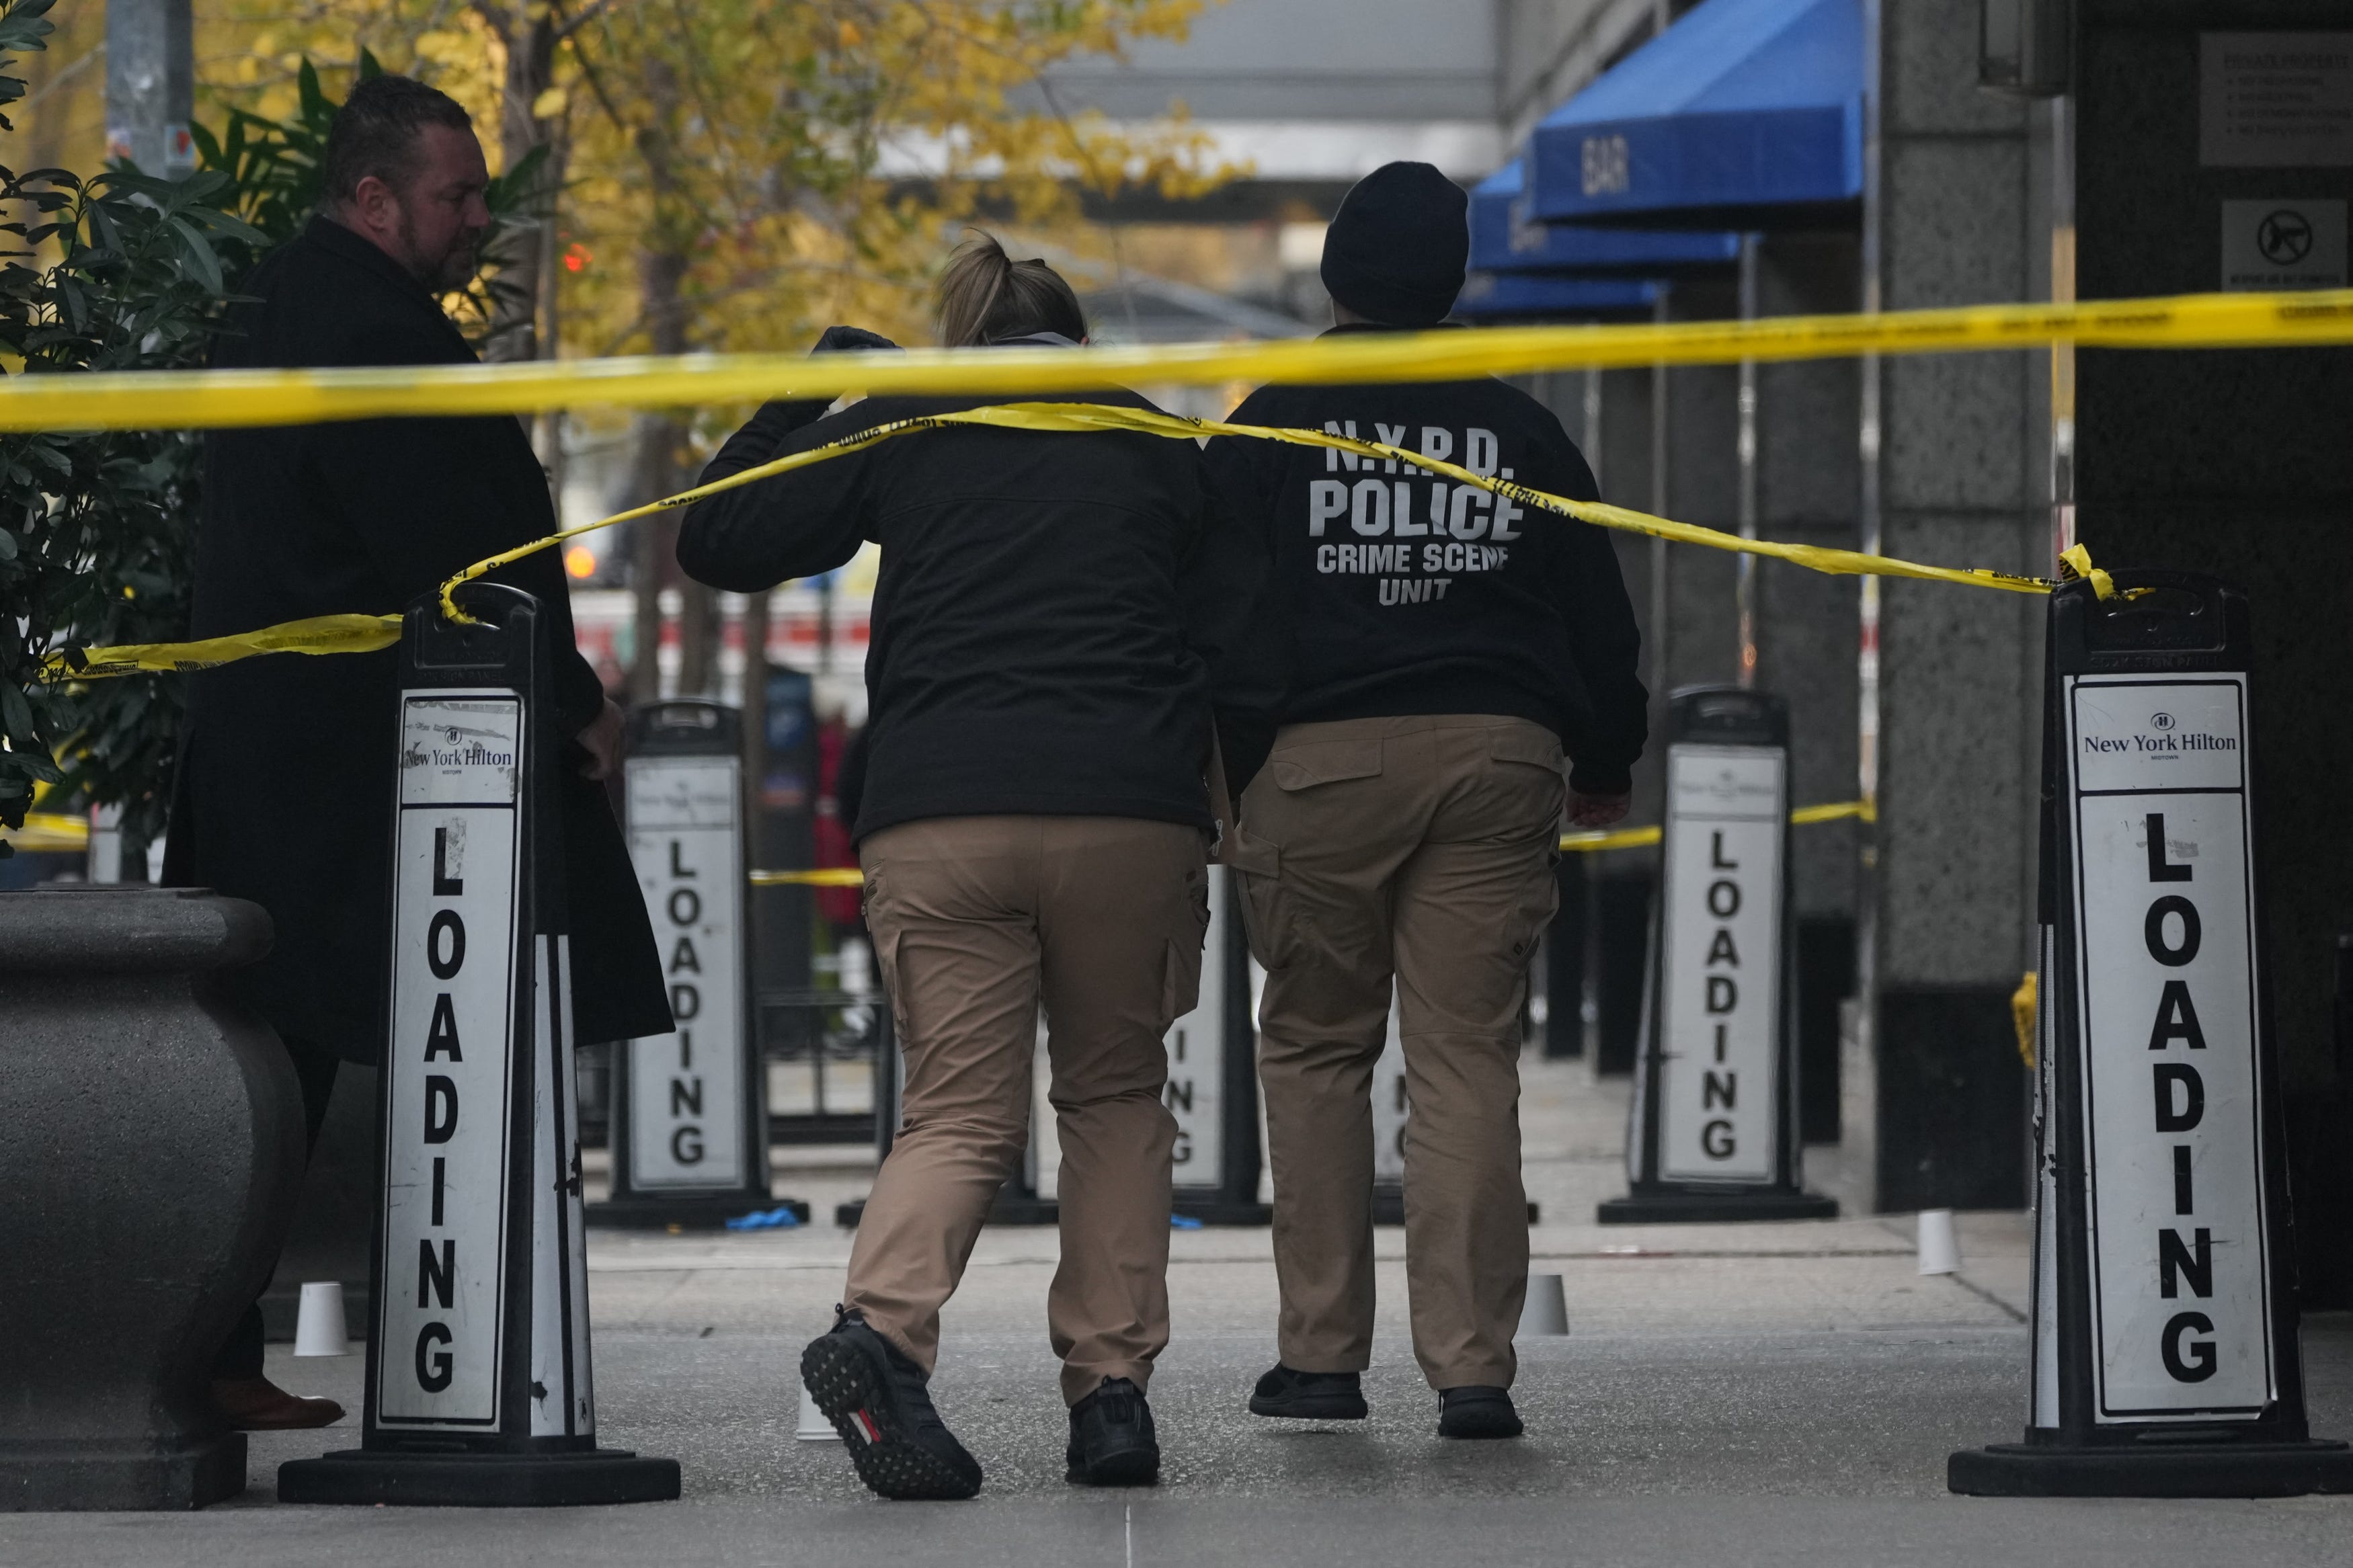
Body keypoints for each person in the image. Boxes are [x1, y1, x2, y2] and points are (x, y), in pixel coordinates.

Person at [678, 234, 1273, 1500]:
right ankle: (1111, 1398)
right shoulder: (1159, 443)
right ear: (1081, 344)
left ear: (964, 343)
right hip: (1126, 810)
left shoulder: (907, 426)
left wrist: (801, 393)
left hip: (937, 811)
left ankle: (882, 1330)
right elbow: (1237, 645)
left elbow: (716, 537)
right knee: (1115, 1097)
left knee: (955, 1111)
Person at [163, 75, 670, 1430]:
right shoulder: (371, 335)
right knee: (380, 1046)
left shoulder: (280, 306)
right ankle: (403, 1357)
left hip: (293, 754)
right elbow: (457, 555)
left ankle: (216, 1352)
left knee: (278, 1058)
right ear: (376, 197)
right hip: (385, 765)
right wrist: (574, 699)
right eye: (459, 194)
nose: (482, 218)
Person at [1202, 161, 1647, 1440]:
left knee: (1317, 1046)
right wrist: (1604, 755)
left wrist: (1223, 770)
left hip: (1317, 763)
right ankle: (1471, 1368)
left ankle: (1321, 1355)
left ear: (1336, 280)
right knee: (1465, 1057)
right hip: (1498, 760)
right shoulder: (1520, 431)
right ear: (1452, 285)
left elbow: (1215, 612)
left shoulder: (1271, 424)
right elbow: (1596, 611)